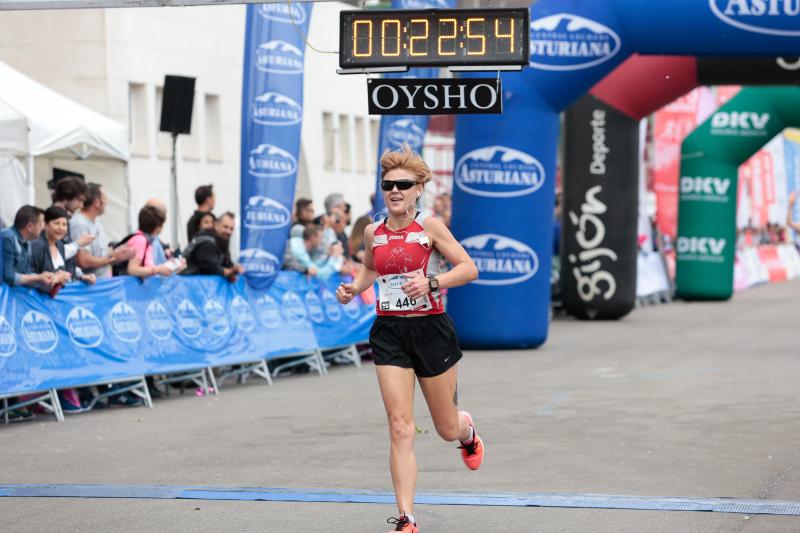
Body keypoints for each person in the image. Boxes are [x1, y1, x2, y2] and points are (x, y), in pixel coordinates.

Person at [335, 144, 482, 533]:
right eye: (388, 185)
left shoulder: (430, 227)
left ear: (419, 188)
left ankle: (466, 432)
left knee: (446, 428)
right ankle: (407, 519)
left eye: (403, 184)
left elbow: (469, 268)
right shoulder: (372, 231)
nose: (395, 191)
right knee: (400, 426)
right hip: (390, 333)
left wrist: (433, 280)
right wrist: (354, 288)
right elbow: (371, 270)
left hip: (431, 330)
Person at [71, 183, 136, 279]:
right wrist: (112, 258)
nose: (107, 202)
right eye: (105, 198)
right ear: (97, 202)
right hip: (89, 287)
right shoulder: (79, 224)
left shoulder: (96, 220)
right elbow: (84, 261)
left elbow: (101, 254)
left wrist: (118, 252)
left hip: (101, 283)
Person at [31, 206, 95, 289]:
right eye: (56, 223)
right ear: (46, 224)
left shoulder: (60, 245)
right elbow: (30, 275)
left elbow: (69, 268)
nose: (61, 228)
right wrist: (56, 279)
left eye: (64, 224)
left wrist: (83, 276)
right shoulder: (36, 246)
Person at [1, 206, 56, 289]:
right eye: (40, 224)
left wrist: (48, 278)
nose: (43, 228)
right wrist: (38, 278)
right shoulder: (7, 238)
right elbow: (7, 276)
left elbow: (26, 273)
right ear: (30, 226)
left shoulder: (27, 242)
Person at [182, 211, 243, 281]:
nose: (228, 231)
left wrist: (234, 269)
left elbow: (225, 261)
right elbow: (209, 266)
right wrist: (227, 272)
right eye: (225, 227)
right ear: (216, 225)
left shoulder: (220, 243)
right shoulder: (206, 242)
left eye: (231, 229)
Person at [125, 205, 178, 279]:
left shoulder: (148, 239)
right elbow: (132, 269)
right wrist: (158, 269)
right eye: (161, 224)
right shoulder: (140, 240)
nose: (162, 227)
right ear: (156, 226)